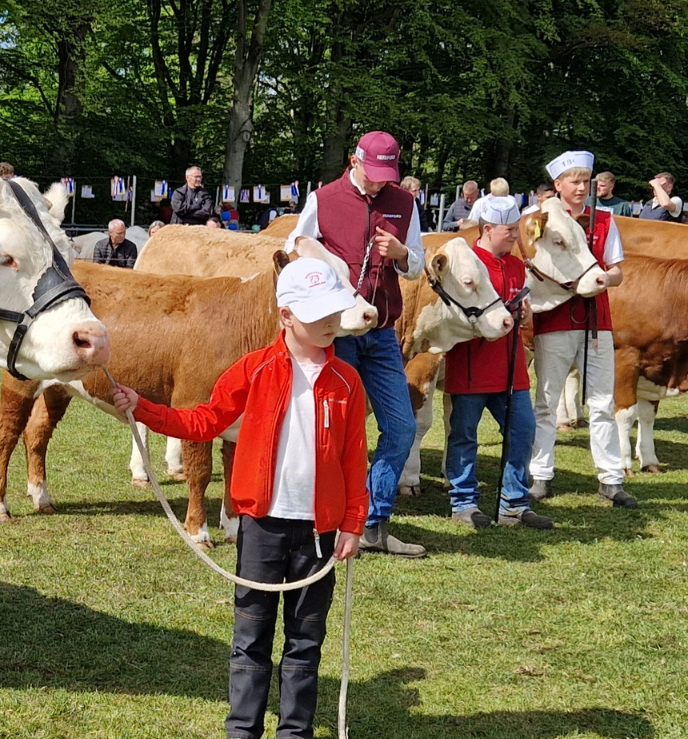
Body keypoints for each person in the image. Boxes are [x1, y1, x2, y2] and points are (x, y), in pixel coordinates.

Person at [103, 257, 365, 739]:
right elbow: (204, 420)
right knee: (251, 637)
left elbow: (353, 457)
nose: (331, 322)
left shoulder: (348, 381)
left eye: (334, 310)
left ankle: (295, 733)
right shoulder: (253, 368)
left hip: (320, 532)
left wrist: (352, 522)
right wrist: (146, 410)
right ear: (286, 315)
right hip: (261, 527)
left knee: (306, 642)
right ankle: (243, 731)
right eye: (318, 314)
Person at [281, 131, 431, 557]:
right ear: (354, 161)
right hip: (337, 333)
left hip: (382, 332)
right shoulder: (324, 198)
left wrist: (401, 253)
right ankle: (325, 521)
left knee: (401, 427)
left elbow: (416, 266)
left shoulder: (404, 202)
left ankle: (372, 524)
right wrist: (317, 262)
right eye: (374, 173)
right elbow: (293, 246)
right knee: (333, 429)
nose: (380, 183)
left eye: (388, 175)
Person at [525, 151, 636, 510]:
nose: (581, 188)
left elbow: (617, 270)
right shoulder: (538, 219)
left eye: (585, 181)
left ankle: (611, 478)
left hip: (596, 320)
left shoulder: (603, 220)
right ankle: (540, 473)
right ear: (558, 185)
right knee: (547, 400)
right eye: (574, 181)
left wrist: (604, 278)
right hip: (554, 319)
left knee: (602, 402)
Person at [441, 195, 550, 530]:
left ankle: (514, 504)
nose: (516, 235)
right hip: (471, 365)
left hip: (511, 367)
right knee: (464, 435)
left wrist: (525, 314)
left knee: (523, 431)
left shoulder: (516, 265)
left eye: (516, 228)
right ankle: (464, 502)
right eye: (509, 230)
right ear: (487, 229)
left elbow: (523, 309)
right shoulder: (466, 263)